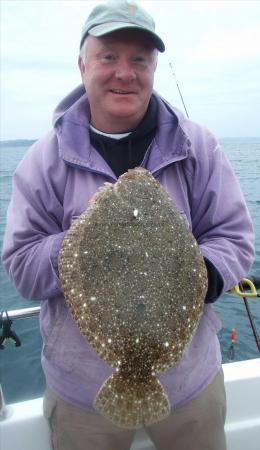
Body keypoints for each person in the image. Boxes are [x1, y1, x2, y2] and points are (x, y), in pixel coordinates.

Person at [2, 1, 255, 449]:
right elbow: (21, 268)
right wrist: (83, 243)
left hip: (191, 384)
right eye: (109, 56)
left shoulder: (198, 145)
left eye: (139, 59)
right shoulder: (41, 160)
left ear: (154, 67)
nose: (125, 72)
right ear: (83, 65)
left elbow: (234, 238)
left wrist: (198, 276)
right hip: (81, 394)